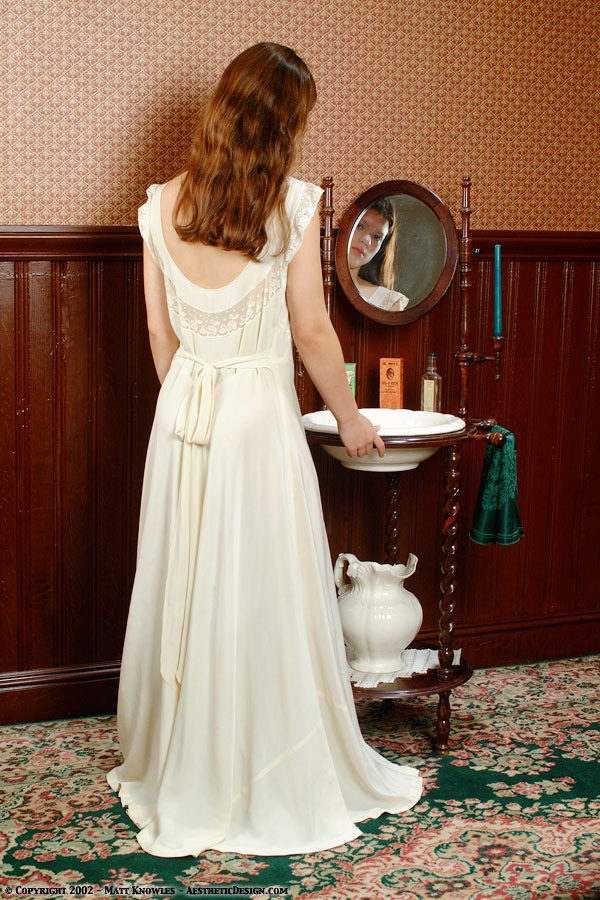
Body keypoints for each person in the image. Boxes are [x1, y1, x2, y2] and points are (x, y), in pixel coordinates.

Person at [107, 42, 421, 858]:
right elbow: (311, 330)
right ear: (285, 124)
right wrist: (349, 417)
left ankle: (183, 760)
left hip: (183, 412)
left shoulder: (158, 206)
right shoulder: (290, 205)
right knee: (260, 587)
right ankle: (265, 762)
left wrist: (190, 401)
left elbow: (159, 332)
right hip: (254, 413)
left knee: (187, 580)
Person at [348, 199, 410, 312]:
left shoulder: (389, 302)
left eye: (376, 237)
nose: (366, 240)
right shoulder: (312, 283)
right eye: (360, 226)